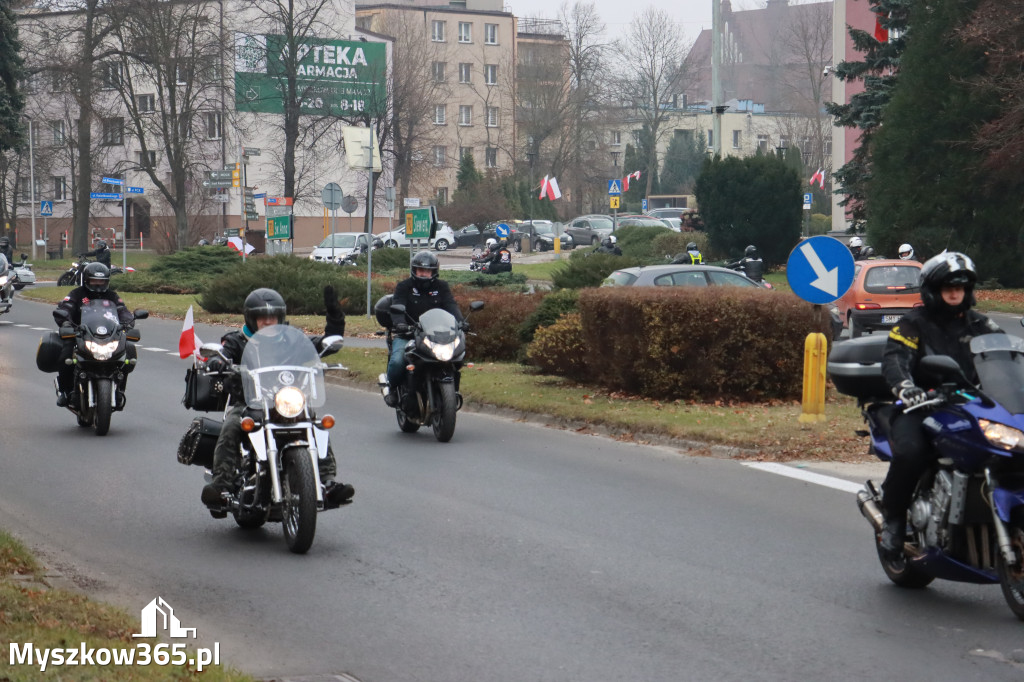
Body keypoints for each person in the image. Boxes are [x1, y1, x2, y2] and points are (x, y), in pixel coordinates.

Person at [877, 252, 1002, 557]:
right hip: (922, 406)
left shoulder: (981, 324)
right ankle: (893, 518)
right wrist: (905, 386)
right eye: (948, 287)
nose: (955, 292)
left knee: (1009, 449)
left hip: (971, 405)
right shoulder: (913, 323)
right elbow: (895, 358)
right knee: (911, 452)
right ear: (934, 290)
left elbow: (1006, 356)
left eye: (960, 286)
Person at [200, 287, 354, 510]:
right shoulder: (237, 339)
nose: (268, 321)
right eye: (262, 317)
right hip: (249, 402)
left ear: (280, 317)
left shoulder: (293, 339)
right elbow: (224, 353)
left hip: (287, 401)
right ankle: (221, 485)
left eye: (272, 316)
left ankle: (327, 482)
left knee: (315, 422)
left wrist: (334, 315)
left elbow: (325, 344)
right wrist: (218, 362)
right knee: (232, 425)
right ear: (251, 318)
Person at [385, 251, 463, 410]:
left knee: (456, 357)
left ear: (434, 272)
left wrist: (461, 322)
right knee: (398, 361)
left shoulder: (441, 287)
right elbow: (397, 307)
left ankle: (451, 393)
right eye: (420, 270)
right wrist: (400, 324)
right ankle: (392, 389)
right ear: (414, 270)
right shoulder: (404, 287)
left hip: (434, 335)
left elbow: (451, 305)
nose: (424, 273)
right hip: (408, 334)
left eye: (427, 271)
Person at [52, 263, 135, 407]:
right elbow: (65, 308)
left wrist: (128, 322)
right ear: (86, 280)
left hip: (108, 335)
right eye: (94, 281)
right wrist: (66, 323)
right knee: (66, 353)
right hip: (81, 334)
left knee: (127, 351)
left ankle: (120, 390)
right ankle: (65, 391)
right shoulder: (76, 294)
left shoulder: (112, 296)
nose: (98, 284)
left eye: (101, 281)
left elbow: (122, 311)